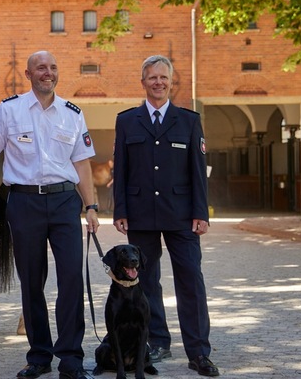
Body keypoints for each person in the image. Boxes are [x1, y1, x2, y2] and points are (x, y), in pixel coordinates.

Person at [0, 50, 99, 379]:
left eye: (52, 67)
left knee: (70, 280)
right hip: (23, 204)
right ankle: (39, 356)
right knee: (31, 283)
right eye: (40, 68)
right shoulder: (10, 111)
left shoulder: (72, 113)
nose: (47, 73)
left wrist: (91, 206)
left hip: (65, 201)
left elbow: (81, 163)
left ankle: (71, 358)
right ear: (28, 74)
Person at [112, 55, 219, 377]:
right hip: (141, 212)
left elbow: (198, 172)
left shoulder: (188, 120)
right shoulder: (127, 120)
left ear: (172, 82)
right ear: (143, 82)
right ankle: (157, 341)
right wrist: (120, 210)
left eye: (163, 77)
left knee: (191, 282)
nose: (158, 82)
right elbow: (122, 167)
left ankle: (198, 351)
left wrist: (201, 212)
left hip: (183, 215)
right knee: (146, 283)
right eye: (152, 77)